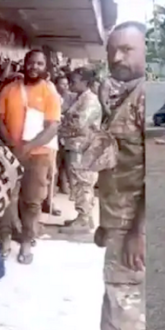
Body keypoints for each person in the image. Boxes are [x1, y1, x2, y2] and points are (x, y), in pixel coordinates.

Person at [94, 22, 146, 330]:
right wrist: (105, 222)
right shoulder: (117, 95)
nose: (117, 57)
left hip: (134, 229)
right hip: (118, 224)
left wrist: (138, 232)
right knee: (115, 314)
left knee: (127, 323)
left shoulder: (147, 98)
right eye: (113, 49)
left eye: (127, 49)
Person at [0, 49, 61, 264]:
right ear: (24, 64)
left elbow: (52, 127)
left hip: (39, 155)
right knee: (6, 198)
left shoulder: (50, 93)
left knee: (32, 202)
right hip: (10, 153)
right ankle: (5, 239)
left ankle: (26, 241)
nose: (34, 67)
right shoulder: (9, 90)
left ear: (46, 67)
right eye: (31, 63)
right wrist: (11, 143)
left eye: (40, 64)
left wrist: (29, 146)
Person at [59, 67, 102, 234]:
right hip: (76, 147)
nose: (70, 84)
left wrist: (60, 127)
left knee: (83, 183)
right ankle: (83, 216)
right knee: (79, 182)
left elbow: (78, 125)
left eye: (74, 81)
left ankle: (83, 219)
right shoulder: (79, 99)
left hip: (83, 149)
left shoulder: (89, 101)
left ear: (85, 82)